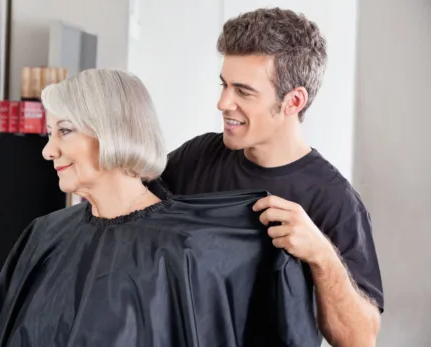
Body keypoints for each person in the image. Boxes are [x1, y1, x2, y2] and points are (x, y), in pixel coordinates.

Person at [0, 68, 321, 347]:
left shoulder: (188, 251)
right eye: (49, 133)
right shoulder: (43, 237)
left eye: (64, 131)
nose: (48, 150)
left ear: (111, 131)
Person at [158, 7, 384, 347]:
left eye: (243, 92)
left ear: (293, 101)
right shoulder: (197, 157)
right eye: (224, 85)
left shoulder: (335, 201)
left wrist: (321, 255)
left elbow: (359, 339)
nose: (223, 102)